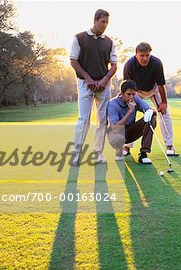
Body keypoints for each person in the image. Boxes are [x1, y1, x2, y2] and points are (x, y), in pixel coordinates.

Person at [69, 9, 117, 166]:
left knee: (102, 120)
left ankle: (97, 154)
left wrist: (104, 80)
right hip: (85, 84)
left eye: (107, 22)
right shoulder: (80, 38)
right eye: (102, 21)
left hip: (103, 85)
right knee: (84, 119)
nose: (105, 25)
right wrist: (88, 78)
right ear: (95, 20)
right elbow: (73, 61)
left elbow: (114, 65)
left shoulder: (109, 42)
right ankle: (76, 155)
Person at [123, 42, 179, 156]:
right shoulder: (129, 65)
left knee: (165, 113)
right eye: (141, 55)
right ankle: (127, 146)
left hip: (153, 90)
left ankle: (169, 145)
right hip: (136, 91)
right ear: (136, 54)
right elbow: (127, 86)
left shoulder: (156, 63)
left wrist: (164, 102)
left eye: (147, 55)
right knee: (129, 113)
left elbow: (161, 84)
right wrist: (129, 102)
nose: (144, 58)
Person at [107, 80, 156, 164]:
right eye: (128, 94)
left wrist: (150, 111)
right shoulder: (112, 104)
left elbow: (150, 110)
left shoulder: (135, 98)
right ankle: (119, 151)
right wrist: (130, 111)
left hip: (131, 131)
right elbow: (115, 127)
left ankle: (143, 154)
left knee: (152, 118)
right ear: (121, 93)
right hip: (116, 134)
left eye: (133, 94)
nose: (131, 97)